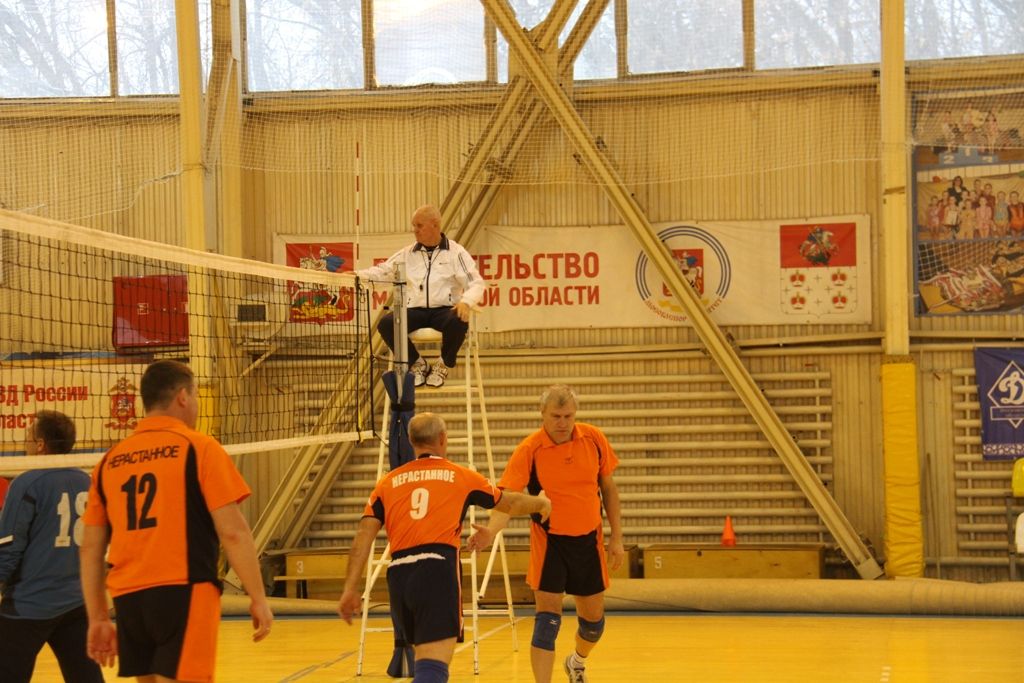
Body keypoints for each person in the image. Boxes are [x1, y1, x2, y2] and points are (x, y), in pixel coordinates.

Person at [80, 360, 273, 681]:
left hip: (128, 597)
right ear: (183, 396)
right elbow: (233, 532)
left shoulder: (110, 462)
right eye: (195, 395)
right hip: (184, 589)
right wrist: (258, 597)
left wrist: (98, 617)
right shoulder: (199, 448)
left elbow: (89, 549)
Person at [338, 412, 551, 683]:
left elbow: (363, 537)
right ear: (442, 438)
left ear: (412, 441)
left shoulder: (386, 483)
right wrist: (542, 503)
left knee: (426, 664)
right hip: (436, 568)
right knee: (433, 668)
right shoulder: (460, 476)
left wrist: (349, 589)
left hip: (399, 575)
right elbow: (510, 503)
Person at [468, 385, 624, 683]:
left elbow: (609, 488)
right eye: (556, 416)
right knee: (547, 622)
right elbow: (507, 500)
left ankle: (576, 662)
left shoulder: (593, 438)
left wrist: (616, 537)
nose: (563, 423)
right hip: (550, 544)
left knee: (593, 626)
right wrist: (491, 531)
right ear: (542, 414)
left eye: (568, 416)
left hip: (588, 543)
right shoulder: (529, 449)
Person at [0, 410, 105, 683]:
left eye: (28, 436)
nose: (25, 442)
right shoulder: (88, 481)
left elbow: (8, 550)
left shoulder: (26, 483)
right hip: (75, 602)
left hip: (30, 604)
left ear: (41, 444)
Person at [357, 205, 485, 388]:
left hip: (444, 310)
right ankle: (416, 363)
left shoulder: (456, 253)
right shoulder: (407, 253)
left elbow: (476, 283)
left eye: (419, 225)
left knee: (459, 318)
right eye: (414, 226)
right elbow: (382, 271)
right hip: (414, 310)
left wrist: (466, 301)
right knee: (386, 323)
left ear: (435, 225)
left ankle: (443, 364)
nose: (415, 230)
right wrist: (356, 276)